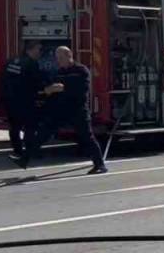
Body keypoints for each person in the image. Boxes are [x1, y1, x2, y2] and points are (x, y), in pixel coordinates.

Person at [13, 46, 107, 174]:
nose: (59, 61)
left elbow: (81, 90)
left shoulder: (81, 70)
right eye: (57, 58)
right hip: (60, 111)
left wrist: (63, 88)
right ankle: (24, 160)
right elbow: (53, 89)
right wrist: (48, 91)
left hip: (77, 110)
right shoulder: (59, 72)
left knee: (87, 137)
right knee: (42, 135)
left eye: (61, 58)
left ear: (69, 55)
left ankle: (100, 165)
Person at [3, 41, 46, 158]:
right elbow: (37, 83)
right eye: (39, 49)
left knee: (14, 127)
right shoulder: (31, 64)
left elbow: (5, 80)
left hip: (10, 100)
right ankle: (30, 151)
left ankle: (17, 150)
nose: (40, 53)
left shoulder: (12, 61)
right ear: (30, 50)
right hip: (25, 101)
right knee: (30, 127)